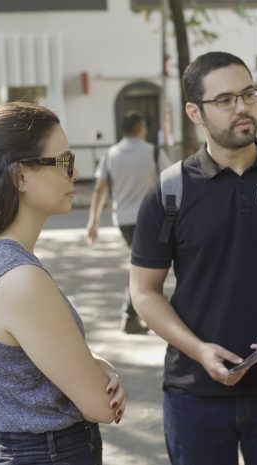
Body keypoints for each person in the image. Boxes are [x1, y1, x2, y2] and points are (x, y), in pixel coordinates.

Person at [129, 51, 257, 465]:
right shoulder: (170, 190)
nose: (242, 107)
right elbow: (144, 292)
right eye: (224, 99)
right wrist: (199, 349)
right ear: (194, 111)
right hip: (195, 394)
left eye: (248, 94)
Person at [0, 102, 126, 464]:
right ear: (20, 176)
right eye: (64, 161)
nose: (75, 173)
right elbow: (101, 405)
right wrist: (101, 373)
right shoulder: (19, 278)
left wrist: (95, 362)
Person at [86, 110, 171, 334]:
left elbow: (99, 189)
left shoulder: (111, 154)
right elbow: (172, 178)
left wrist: (93, 221)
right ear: (141, 128)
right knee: (141, 265)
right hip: (149, 217)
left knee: (140, 263)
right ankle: (131, 314)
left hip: (122, 218)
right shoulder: (152, 151)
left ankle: (135, 313)